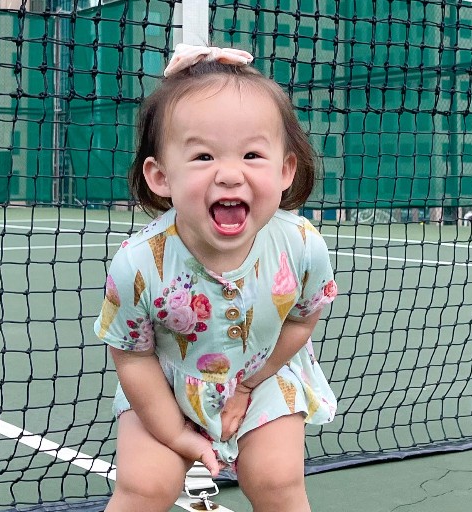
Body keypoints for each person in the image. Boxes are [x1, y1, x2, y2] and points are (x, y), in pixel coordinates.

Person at [93, 43, 339, 512]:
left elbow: (302, 320)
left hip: (264, 374)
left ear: (286, 170)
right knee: (144, 488)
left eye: (252, 154)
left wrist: (250, 383)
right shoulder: (137, 264)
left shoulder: (302, 246)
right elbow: (133, 358)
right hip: (165, 384)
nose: (229, 174)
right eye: (204, 156)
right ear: (161, 176)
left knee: (277, 482)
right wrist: (175, 434)